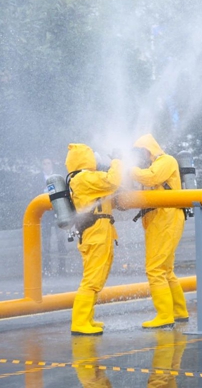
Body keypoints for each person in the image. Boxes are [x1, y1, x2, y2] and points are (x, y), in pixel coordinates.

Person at [131, 134, 189, 329]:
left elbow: (152, 177)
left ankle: (164, 315)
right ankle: (179, 312)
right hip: (160, 220)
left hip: (167, 219)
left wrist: (128, 169)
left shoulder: (166, 161)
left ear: (147, 150)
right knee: (166, 270)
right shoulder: (150, 166)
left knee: (155, 269)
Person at [66, 144, 122, 336]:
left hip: (101, 232)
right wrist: (117, 161)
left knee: (97, 278)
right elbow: (113, 181)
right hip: (95, 234)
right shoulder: (83, 178)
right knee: (92, 279)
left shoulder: (86, 179)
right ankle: (80, 322)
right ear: (84, 159)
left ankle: (87, 318)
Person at [35, 157, 67, 275]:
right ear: (42, 165)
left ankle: (62, 267)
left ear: (52, 165)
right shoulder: (37, 178)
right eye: (44, 163)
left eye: (48, 163)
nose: (46, 165)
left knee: (61, 236)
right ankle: (47, 266)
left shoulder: (58, 177)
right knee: (46, 237)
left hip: (57, 209)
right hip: (45, 211)